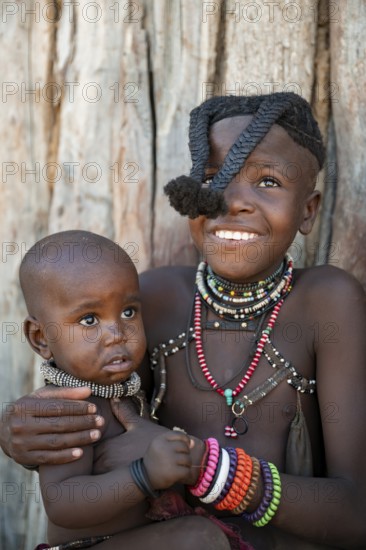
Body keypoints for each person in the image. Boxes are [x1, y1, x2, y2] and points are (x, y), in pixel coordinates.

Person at [2, 92, 366, 549]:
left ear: (308, 211)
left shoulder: (328, 302)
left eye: (268, 181)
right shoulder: (151, 299)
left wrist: (210, 470)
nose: (234, 202)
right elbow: (86, 416)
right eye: (214, 179)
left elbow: (356, 513)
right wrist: (22, 431)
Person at [16, 230, 234, 550]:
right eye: (89, 319)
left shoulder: (123, 388)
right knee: (198, 539)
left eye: (129, 311)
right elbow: (62, 503)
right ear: (40, 338)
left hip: (136, 537)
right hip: (88, 543)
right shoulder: (67, 408)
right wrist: (142, 476)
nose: (117, 334)